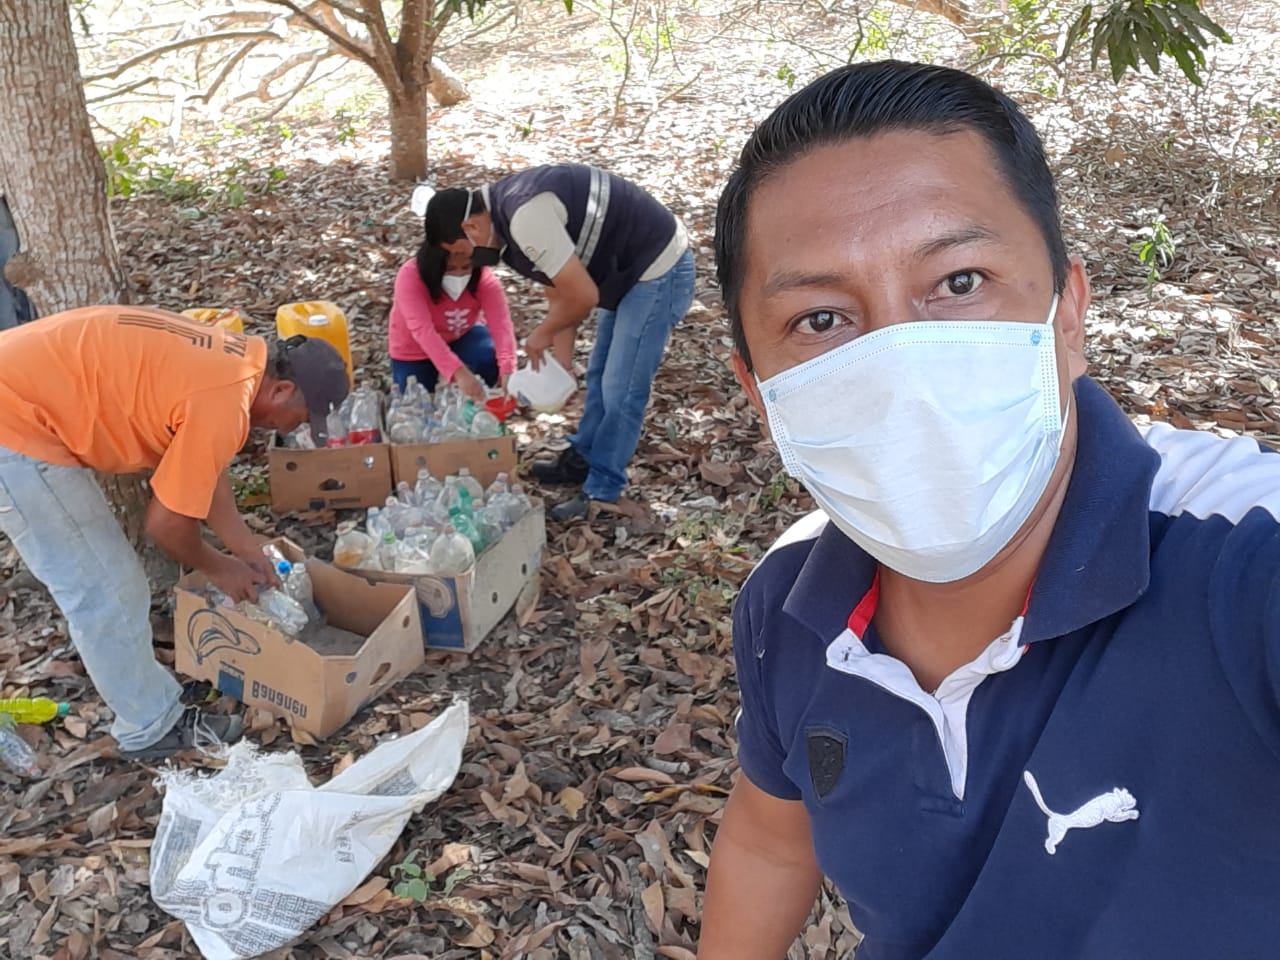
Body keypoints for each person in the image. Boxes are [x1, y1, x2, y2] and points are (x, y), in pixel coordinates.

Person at [698, 61, 1280, 960]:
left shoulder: (1240, 561)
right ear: (757, 390)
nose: (904, 365)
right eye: (820, 320)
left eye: (961, 281)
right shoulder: (789, 607)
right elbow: (771, 841)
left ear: (1068, 313)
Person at [0, 306, 349, 760]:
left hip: (19, 392)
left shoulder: (235, 360)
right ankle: (150, 728)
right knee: (106, 588)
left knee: (106, 582)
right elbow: (165, 525)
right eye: (301, 418)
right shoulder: (224, 399)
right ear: (281, 390)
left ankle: (137, 686)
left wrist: (244, 548)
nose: (294, 429)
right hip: (14, 424)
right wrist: (219, 567)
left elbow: (205, 468)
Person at [425, 164, 696, 521]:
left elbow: (582, 296)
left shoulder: (525, 218)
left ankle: (603, 489)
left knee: (621, 389)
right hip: (623, 269)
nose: (468, 263)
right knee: (600, 374)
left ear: (471, 227)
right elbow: (559, 288)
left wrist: (542, 334)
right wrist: (562, 362)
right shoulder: (502, 219)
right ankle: (583, 457)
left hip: (657, 266)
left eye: (462, 253)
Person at [388, 207, 517, 400]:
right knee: (416, 399)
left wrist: (507, 369)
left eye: (466, 267)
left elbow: (501, 324)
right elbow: (422, 330)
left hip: (462, 335)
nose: (459, 274)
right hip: (414, 347)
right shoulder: (411, 276)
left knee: (487, 359)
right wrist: (458, 372)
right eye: (450, 268)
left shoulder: (483, 279)